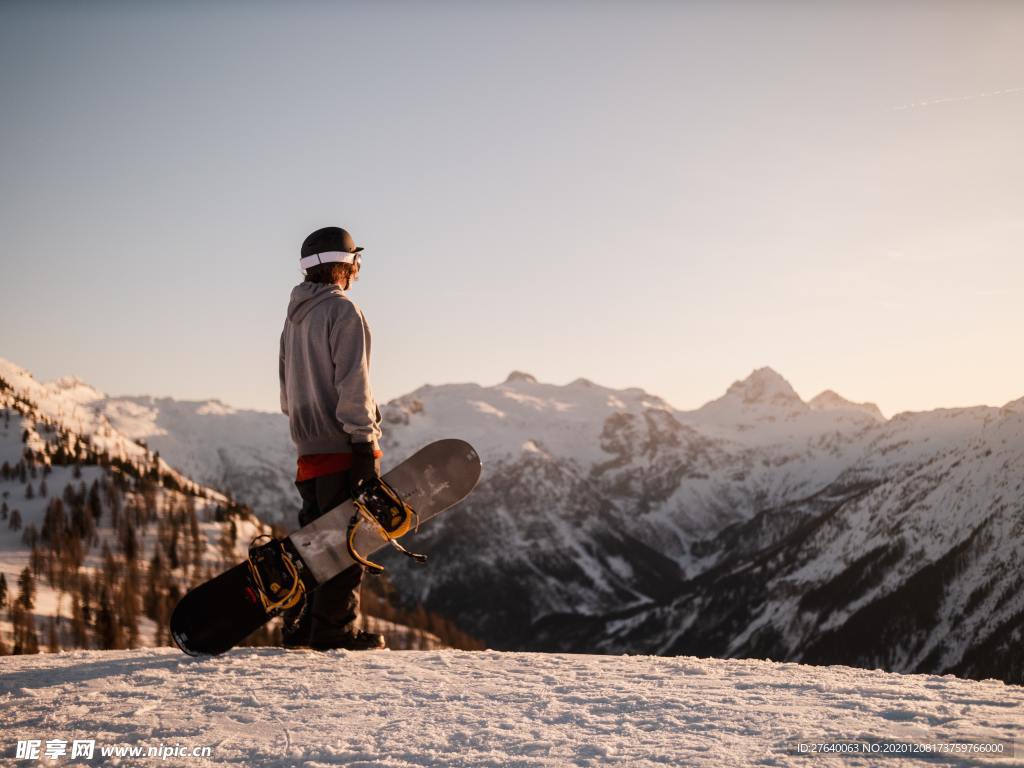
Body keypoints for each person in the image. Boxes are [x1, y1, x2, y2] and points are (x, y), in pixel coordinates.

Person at [278, 225, 386, 651]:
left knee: (315, 544)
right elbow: (353, 382)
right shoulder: (343, 312)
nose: (358, 267)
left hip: (307, 451)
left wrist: (309, 435)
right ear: (344, 265)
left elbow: (287, 395)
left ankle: (301, 626)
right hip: (343, 446)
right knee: (348, 543)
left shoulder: (293, 321)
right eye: (355, 260)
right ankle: (333, 630)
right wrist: (363, 443)